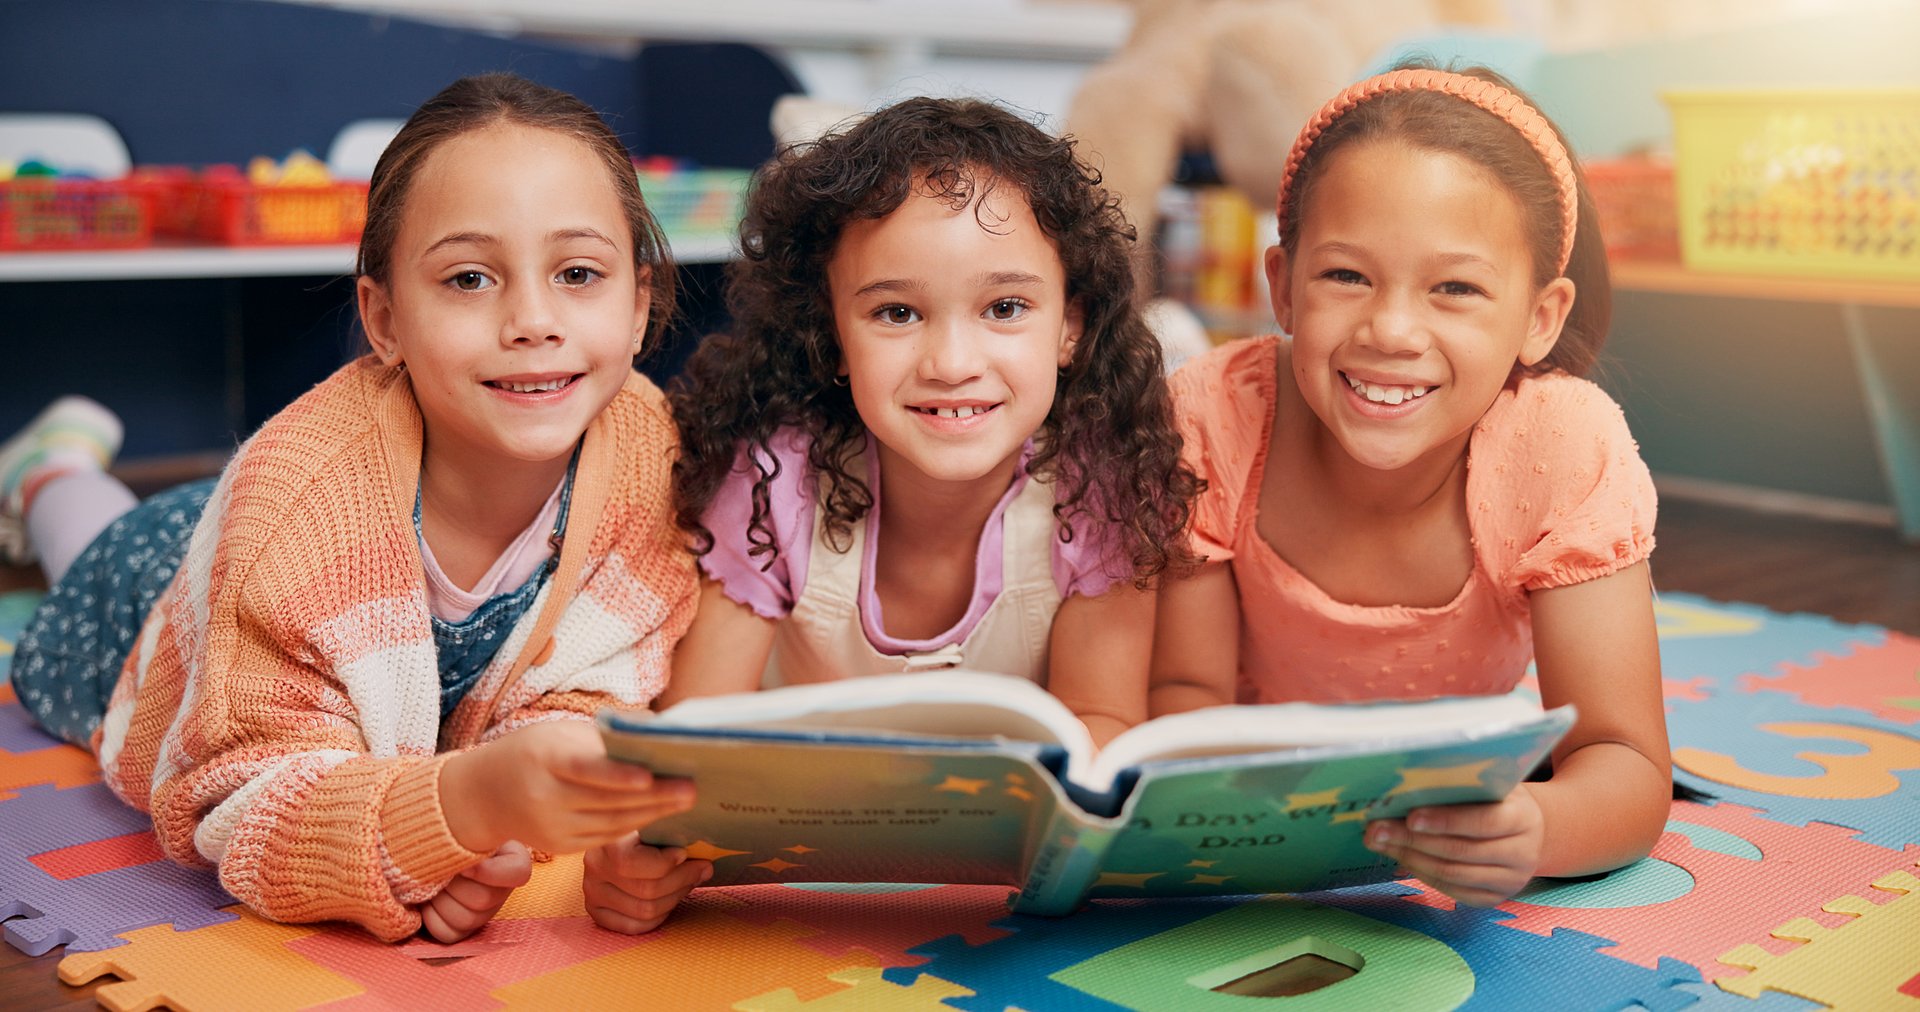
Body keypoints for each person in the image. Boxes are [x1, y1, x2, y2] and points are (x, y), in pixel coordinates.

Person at [0, 73, 710, 943]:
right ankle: (49, 472)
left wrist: (502, 802)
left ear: (638, 304)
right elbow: (243, 799)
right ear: (383, 319)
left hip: (281, 542)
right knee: (90, 549)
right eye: (470, 278)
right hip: (173, 590)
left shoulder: (650, 460)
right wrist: (460, 800)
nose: (533, 319)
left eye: (577, 272)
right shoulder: (294, 515)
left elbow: (603, 685)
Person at [1151, 63, 1671, 906]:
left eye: (1456, 289)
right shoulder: (1212, 413)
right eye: (1346, 276)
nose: (1391, 330)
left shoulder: (1563, 444)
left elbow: (1628, 765)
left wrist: (1539, 827)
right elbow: (1185, 698)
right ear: (1281, 286)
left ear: (1540, 318)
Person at [662, 97, 1200, 748]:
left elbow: (1102, 722)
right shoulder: (775, 478)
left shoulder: (1100, 486)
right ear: (830, 334)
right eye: (896, 313)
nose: (951, 364)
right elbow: (692, 733)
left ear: (1071, 328)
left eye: (1004, 307)